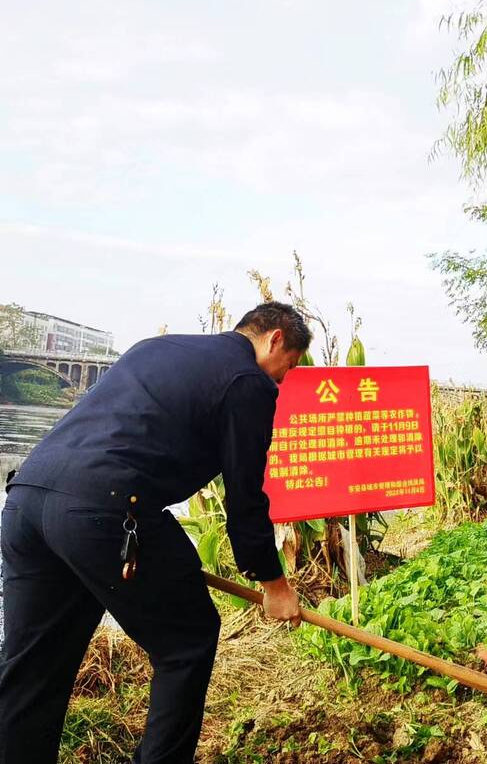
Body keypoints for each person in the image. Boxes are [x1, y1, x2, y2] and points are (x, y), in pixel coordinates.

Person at [0, 302, 311, 763]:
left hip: (26, 500)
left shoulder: (157, 348)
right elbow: (245, 497)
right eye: (290, 367)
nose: (283, 379)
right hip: (103, 510)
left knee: (32, 665)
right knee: (189, 639)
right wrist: (274, 584)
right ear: (276, 338)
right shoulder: (248, 381)